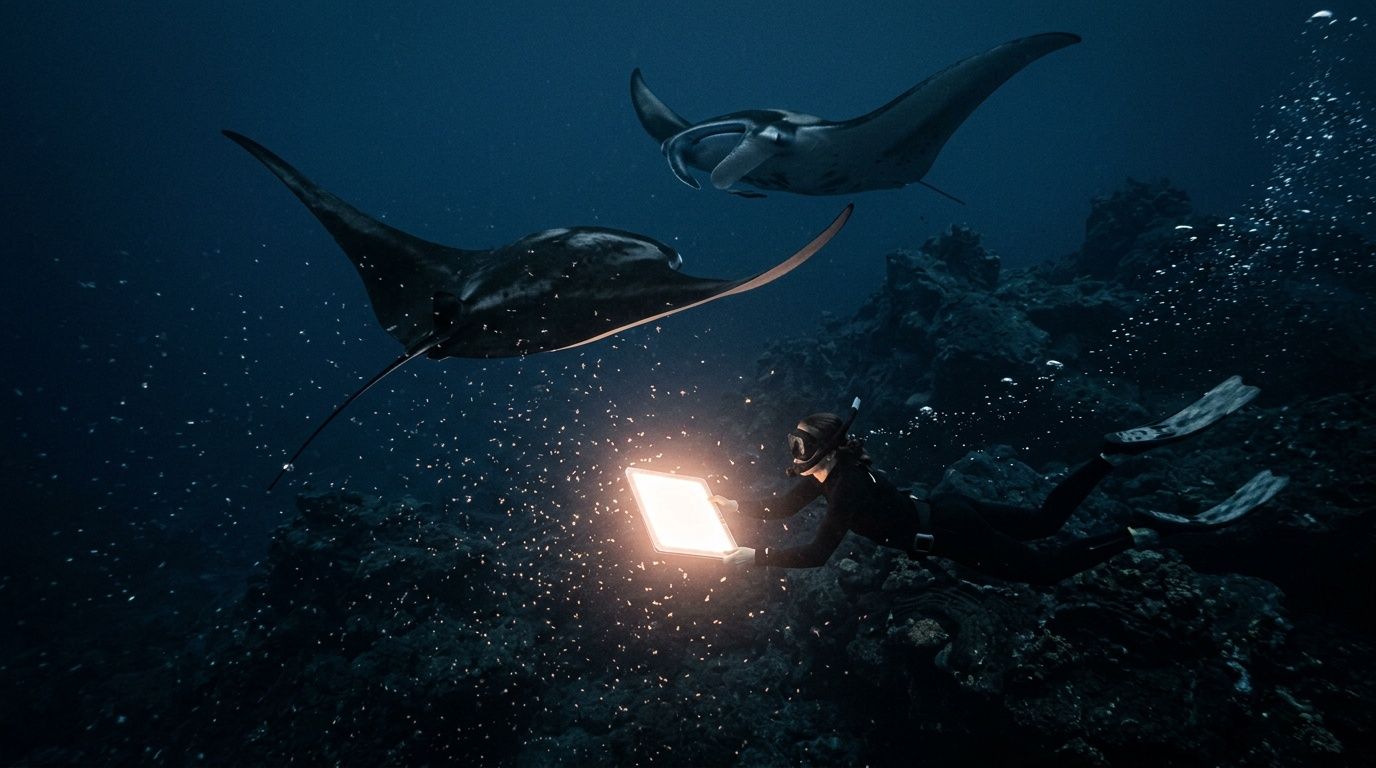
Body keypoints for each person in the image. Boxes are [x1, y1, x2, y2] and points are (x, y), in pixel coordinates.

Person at [713, 377, 1288, 584]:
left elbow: (816, 554)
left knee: (1043, 570)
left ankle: (1135, 532)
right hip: (948, 509)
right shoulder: (832, 476)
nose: (794, 455)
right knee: (1042, 520)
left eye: (802, 446)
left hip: (952, 534)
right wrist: (720, 503)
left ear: (825, 451)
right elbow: (778, 509)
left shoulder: (845, 487)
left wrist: (754, 559)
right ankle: (1107, 458)